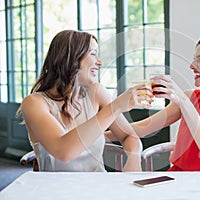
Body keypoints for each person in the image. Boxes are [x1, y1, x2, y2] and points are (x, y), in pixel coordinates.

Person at [106, 33, 200, 171]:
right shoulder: (191, 97)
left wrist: (184, 102)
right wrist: (95, 134)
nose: (192, 65)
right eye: (194, 59)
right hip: (177, 178)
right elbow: (141, 129)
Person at [17, 30, 153, 172]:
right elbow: (63, 151)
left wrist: (133, 158)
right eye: (93, 54)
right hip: (57, 191)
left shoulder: (96, 93)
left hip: (98, 187)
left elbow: (128, 136)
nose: (99, 62)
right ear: (70, 57)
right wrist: (116, 106)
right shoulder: (34, 103)